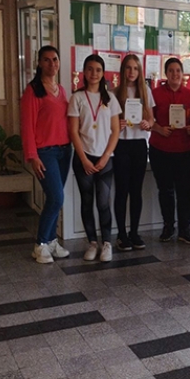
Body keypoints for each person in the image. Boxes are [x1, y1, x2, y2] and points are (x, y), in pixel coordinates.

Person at [21, 46, 73, 264]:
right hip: (45, 153)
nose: (52, 64)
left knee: (55, 197)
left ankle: (51, 241)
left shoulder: (61, 90)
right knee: (56, 197)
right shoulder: (33, 91)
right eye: (47, 60)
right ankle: (40, 244)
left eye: (55, 59)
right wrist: (32, 156)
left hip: (64, 151)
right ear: (39, 63)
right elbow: (27, 126)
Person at [68, 54, 122, 262]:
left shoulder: (110, 98)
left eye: (98, 70)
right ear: (84, 72)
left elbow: (115, 130)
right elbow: (73, 132)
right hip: (84, 158)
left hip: (105, 159)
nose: (94, 73)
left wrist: (106, 156)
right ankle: (92, 243)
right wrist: (84, 159)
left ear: (103, 73)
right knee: (87, 201)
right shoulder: (77, 98)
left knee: (103, 202)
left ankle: (107, 243)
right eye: (90, 69)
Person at [149, 57, 190, 244]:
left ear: (182, 73)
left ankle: (185, 229)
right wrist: (159, 129)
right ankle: (168, 226)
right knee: (166, 191)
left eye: (178, 70)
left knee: (186, 192)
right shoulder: (155, 94)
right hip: (161, 150)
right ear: (166, 73)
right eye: (171, 70)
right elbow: (148, 119)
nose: (175, 74)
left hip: (185, 151)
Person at [113, 54, 155, 251]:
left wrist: (147, 123)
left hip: (139, 144)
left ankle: (134, 232)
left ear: (140, 71)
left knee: (136, 191)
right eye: (128, 68)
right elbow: (109, 121)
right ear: (123, 70)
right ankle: (121, 234)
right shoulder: (114, 93)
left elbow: (152, 119)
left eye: (135, 68)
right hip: (121, 144)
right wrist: (117, 124)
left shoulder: (145, 91)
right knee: (122, 190)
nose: (132, 72)